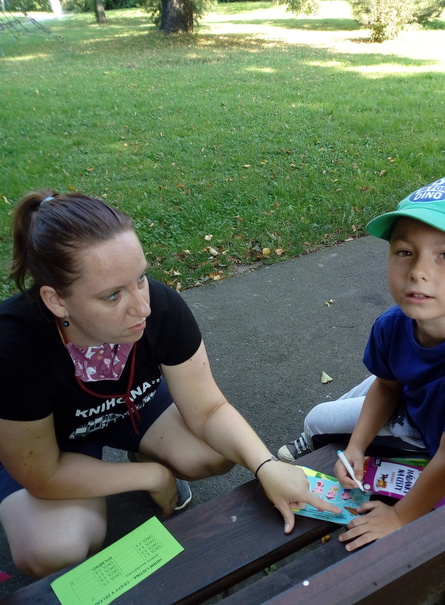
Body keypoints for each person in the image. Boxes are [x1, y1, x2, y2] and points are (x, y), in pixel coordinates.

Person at [0, 190, 339, 580]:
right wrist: (153, 476)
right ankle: (129, 475)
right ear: (57, 301)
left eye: (140, 278)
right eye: (112, 295)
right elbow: (43, 473)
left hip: (132, 406)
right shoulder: (13, 347)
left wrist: (266, 466)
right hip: (56, 444)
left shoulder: (160, 306)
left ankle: (139, 453)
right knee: (53, 549)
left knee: (215, 452)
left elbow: (208, 408)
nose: (142, 307)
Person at [278, 176, 445, 551]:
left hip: (435, 435)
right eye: (405, 251)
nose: (418, 271)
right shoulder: (393, 324)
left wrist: (398, 518)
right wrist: (356, 448)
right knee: (345, 414)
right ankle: (330, 441)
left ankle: (313, 439)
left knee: (317, 419)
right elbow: (386, 385)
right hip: (409, 393)